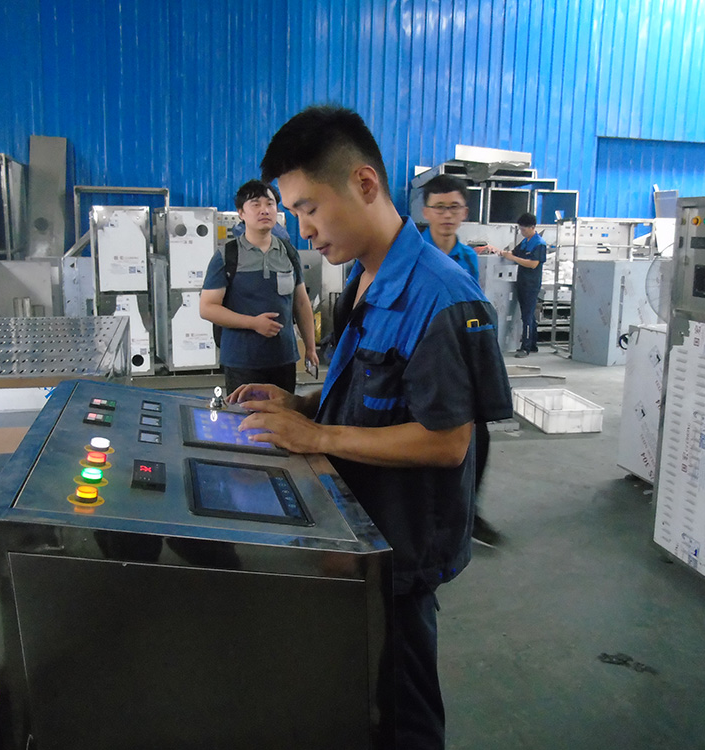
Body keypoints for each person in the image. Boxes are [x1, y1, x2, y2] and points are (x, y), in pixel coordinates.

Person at [228, 105, 512, 750]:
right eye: (293, 212)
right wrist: (301, 406)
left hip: (399, 549)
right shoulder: (364, 276)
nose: (304, 231)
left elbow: (447, 441)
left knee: (404, 714)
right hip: (355, 532)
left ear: (363, 183)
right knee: (360, 702)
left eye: (308, 208)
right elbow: (368, 395)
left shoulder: (442, 296)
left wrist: (317, 438)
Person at [420, 174, 500, 548]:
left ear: (465, 212)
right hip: (421, 360)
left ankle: (469, 512)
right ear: (426, 212)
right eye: (439, 207)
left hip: (459, 358)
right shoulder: (410, 252)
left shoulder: (467, 257)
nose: (447, 215)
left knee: (478, 434)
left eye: (454, 207)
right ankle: (431, 519)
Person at [200, 180, 318, 394]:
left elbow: (301, 304)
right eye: (255, 204)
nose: (264, 210)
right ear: (241, 213)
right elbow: (207, 308)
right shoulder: (227, 256)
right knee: (246, 414)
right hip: (242, 361)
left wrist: (310, 347)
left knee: (283, 413)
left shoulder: (289, 253)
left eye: (270, 204)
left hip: (283, 358)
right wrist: (253, 323)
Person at [492, 212, 547, 358]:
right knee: (528, 314)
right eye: (520, 229)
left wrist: (513, 258)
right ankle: (533, 344)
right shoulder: (525, 242)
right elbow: (513, 253)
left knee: (526, 316)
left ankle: (525, 347)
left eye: (524, 229)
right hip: (522, 282)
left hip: (531, 284)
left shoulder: (539, 244)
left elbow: (533, 264)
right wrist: (500, 252)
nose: (522, 232)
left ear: (532, 227)